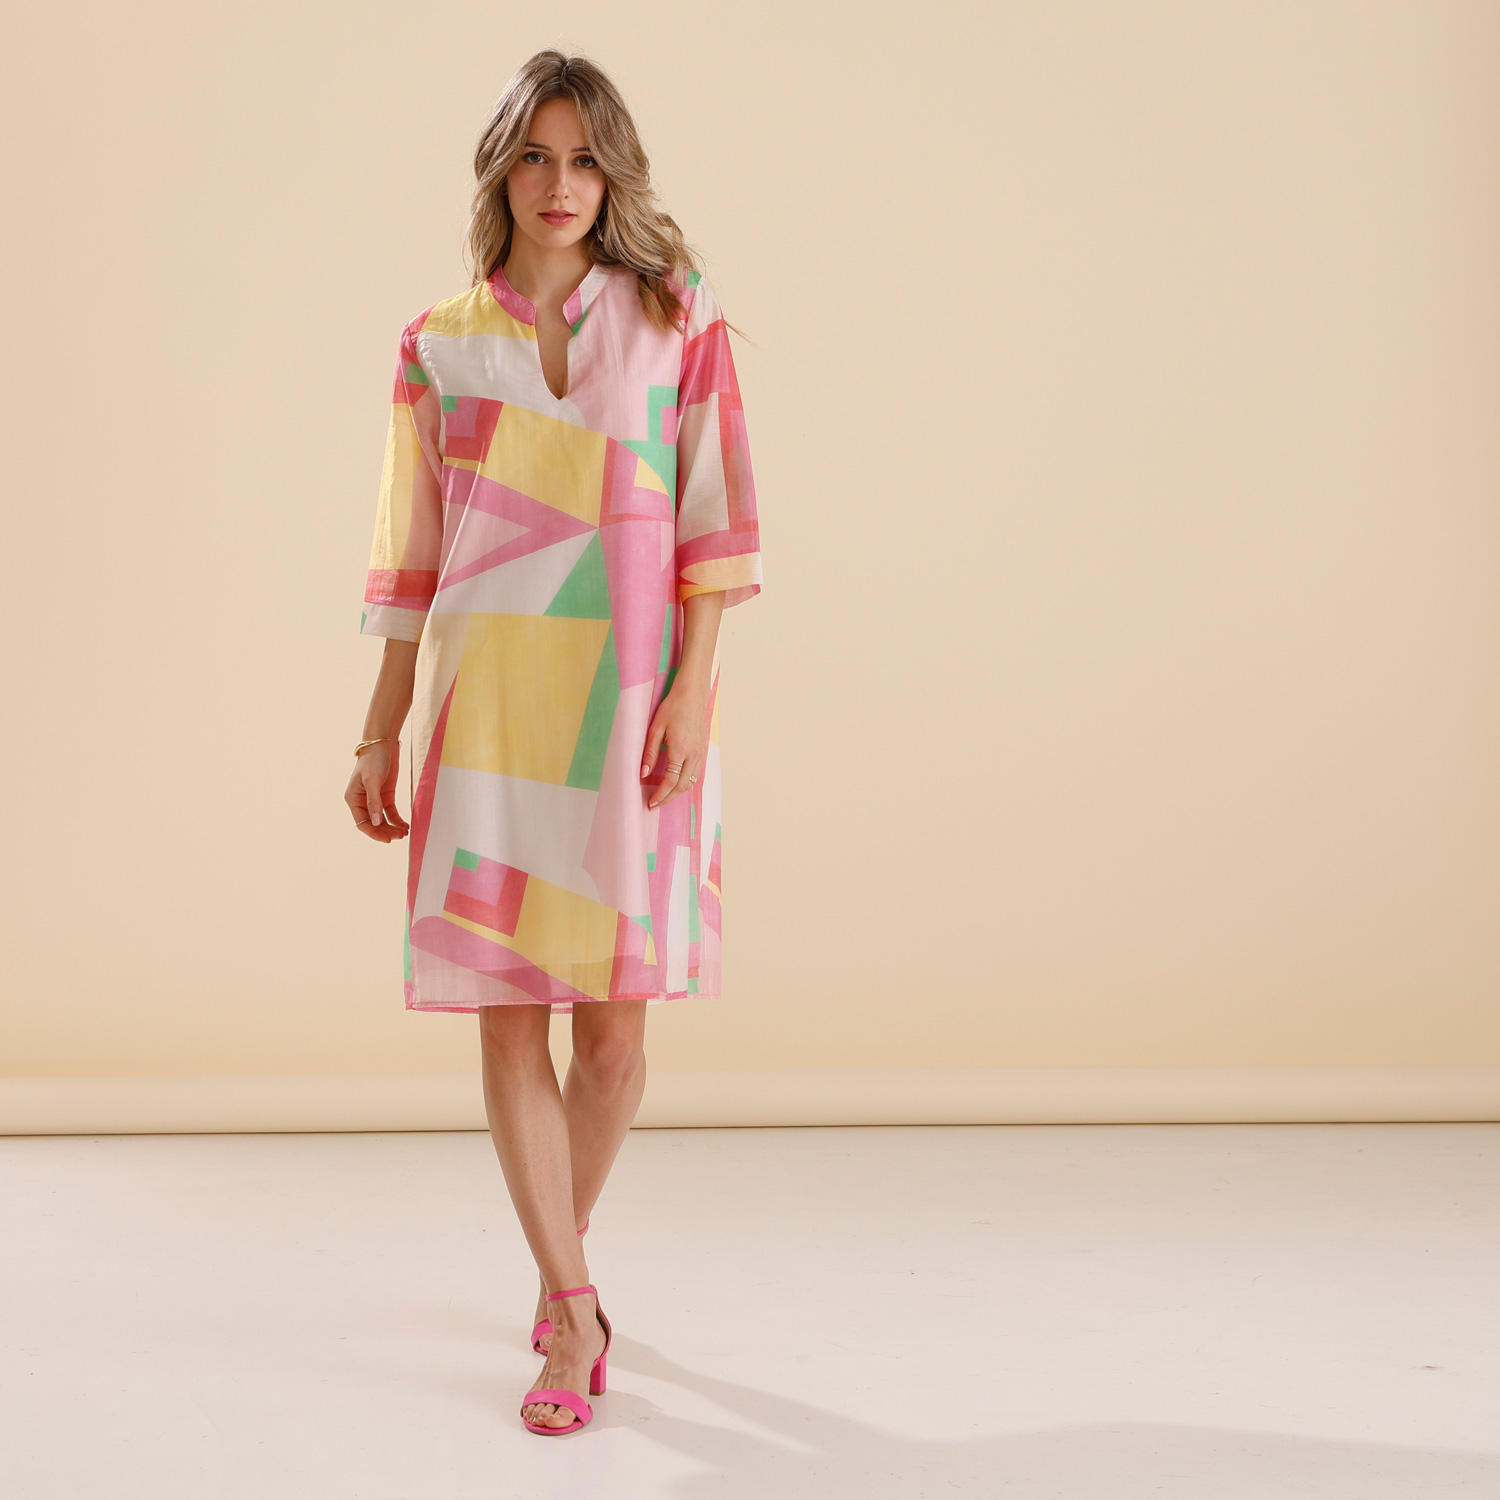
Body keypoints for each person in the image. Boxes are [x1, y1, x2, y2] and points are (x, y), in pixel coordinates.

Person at [342, 49, 762, 1437]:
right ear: (501, 169)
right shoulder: (437, 344)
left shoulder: (677, 317)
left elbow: (715, 520)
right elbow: (411, 555)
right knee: (512, 1021)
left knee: (618, 1046)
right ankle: (573, 1312)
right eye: (535, 155)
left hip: (630, 703)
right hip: (489, 712)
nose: (560, 184)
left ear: (613, 173)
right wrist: (380, 728)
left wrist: (694, 689)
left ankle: (551, 1270)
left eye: (584, 159)